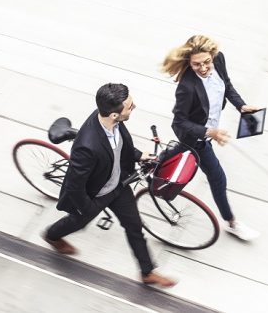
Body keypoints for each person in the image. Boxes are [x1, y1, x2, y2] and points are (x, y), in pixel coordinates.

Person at [43, 83, 176, 287]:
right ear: (114, 115)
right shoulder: (87, 148)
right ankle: (52, 236)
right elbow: (75, 185)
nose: (134, 107)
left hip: (119, 185)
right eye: (130, 106)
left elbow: (122, 145)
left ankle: (147, 273)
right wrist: (88, 208)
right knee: (78, 221)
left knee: (134, 226)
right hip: (96, 195)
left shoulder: (112, 119)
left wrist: (139, 156)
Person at [162, 35, 260, 241]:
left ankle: (150, 164)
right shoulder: (187, 87)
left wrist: (241, 105)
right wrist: (210, 132)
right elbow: (179, 122)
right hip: (196, 136)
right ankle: (232, 223)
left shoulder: (219, 59)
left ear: (213, 56)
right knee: (217, 177)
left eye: (207, 61)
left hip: (205, 132)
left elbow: (227, 85)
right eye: (197, 64)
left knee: (173, 157)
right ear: (189, 62)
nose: (204, 68)